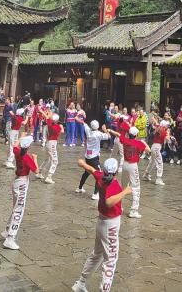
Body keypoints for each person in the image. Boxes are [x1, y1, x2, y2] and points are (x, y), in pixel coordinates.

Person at [72, 158, 131, 292]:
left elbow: (92, 170)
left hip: (101, 222)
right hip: (110, 224)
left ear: (104, 171)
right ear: (116, 172)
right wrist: (125, 192)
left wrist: (82, 164)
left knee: (97, 254)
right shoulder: (114, 185)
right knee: (110, 259)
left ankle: (80, 283)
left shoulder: (101, 177)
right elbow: (109, 202)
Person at [2, 135, 39, 250]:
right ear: (28, 147)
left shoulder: (17, 152)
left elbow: (15, 145)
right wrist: (35, 159)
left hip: (17, 181)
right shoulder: (27, 158)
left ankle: (7, 230)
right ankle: (10, 238)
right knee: (19, 210)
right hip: (22, 182)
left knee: (15, 207)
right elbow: (37, 171)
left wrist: (22, 137)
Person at [110, 124, 150, 218]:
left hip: (125, 164)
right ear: (136, 135)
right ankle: (134, 210)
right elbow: (148, 150)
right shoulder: (139, 143)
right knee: (136, 187)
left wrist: (110, 131)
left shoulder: (125, 140)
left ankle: (119, 206)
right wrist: (144, 142)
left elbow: (119, 135)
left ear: (129, 134)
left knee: (123, 186)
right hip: (132, 166)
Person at [76, 120, 110, 196]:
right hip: (94, 157)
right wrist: (105, 130)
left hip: (88, 156)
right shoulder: (98, 134)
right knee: (100, 175)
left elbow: (83, 123)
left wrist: (78, 117)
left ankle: (80, 188)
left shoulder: (88, 130)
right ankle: (95, 194)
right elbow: (108, 136)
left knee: (87, 172)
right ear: (98, 126)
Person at [37, 112, 63, 184]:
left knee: (47, 159)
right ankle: (49, 177)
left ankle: (39, 172)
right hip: (52, 144)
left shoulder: (49, 125)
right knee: (55, 161)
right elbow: (62, 131)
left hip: (48, 142)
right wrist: (61, 126)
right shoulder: (57, 127)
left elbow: (48, 118)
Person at [143, 119, 170, 185]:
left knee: (152, 162)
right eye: (167, 125)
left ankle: (146, 174)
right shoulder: (164, 131)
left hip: (153, 147)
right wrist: (168, 133)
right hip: (157, 148)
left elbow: (156, 122)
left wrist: (154, 120)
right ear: (165, 126)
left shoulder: (159, 128)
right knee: (160, 163)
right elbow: (168, 139)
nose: (168, 127)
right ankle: (158, 179)